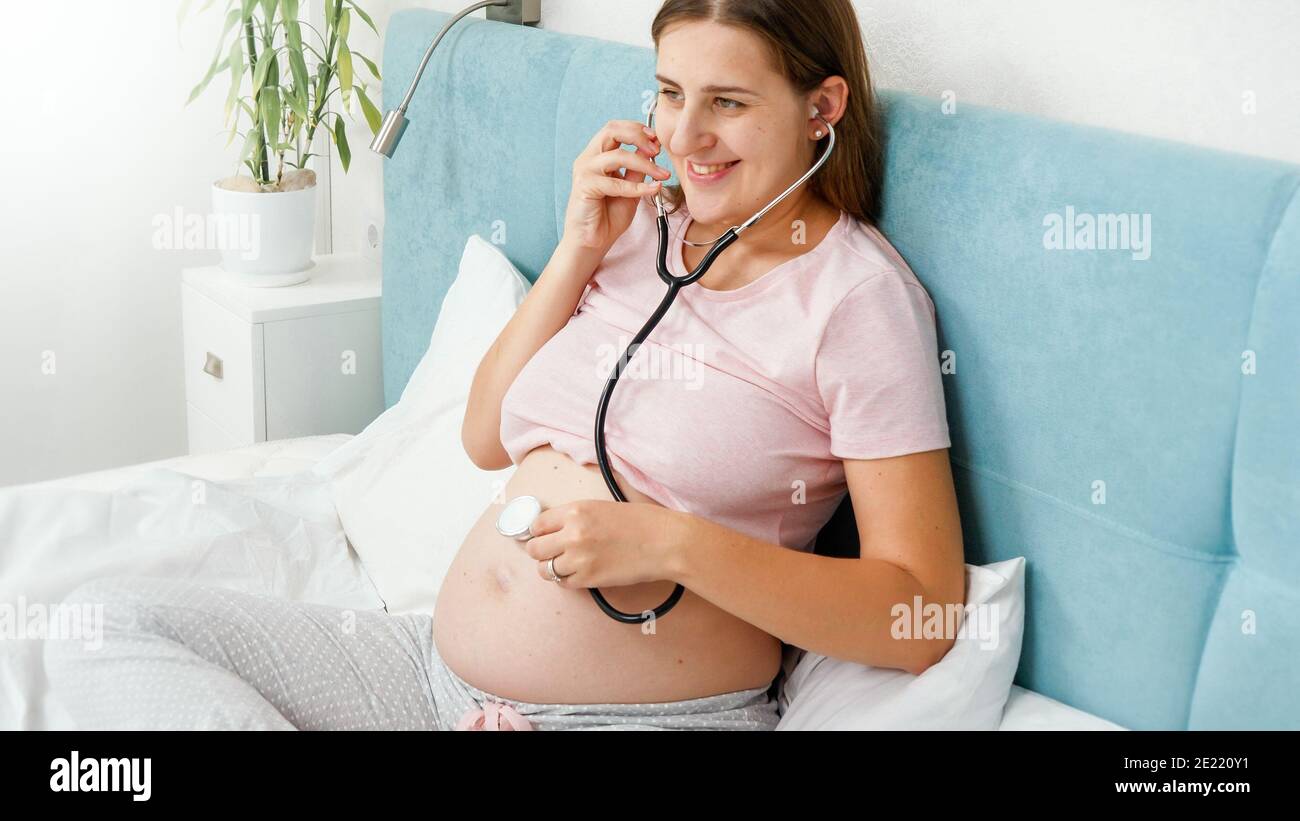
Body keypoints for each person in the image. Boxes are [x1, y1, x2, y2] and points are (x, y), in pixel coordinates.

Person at [45, 0, 964, 731]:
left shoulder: (858, 301)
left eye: (728, 102)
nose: (686, 137)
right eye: (670, 92)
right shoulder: (640, 229)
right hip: (429, 675)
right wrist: (576, 248)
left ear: (823, 107)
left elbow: (919, 612)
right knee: (104, 625)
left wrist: (668, 541)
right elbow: (485, 435)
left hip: (648, 717)